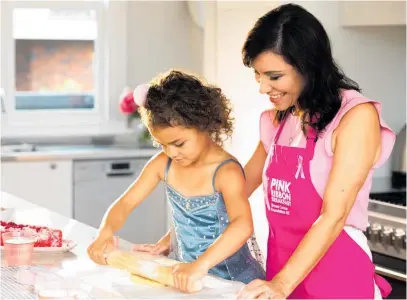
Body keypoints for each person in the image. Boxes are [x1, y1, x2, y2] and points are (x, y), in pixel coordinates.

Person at [236, 3, 395, 299]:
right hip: (282, 272)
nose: (262, 88)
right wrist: (178, 236)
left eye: (274, 76)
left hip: (337, 280)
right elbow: (238, 187)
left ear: (308, 65)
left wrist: (281, 285)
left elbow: (334, 215)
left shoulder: (355, 117)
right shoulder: (280, 118)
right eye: (258, 76)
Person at [87, 69, 265, 293]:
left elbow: (242, 225)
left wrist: (200, 265)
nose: (171, 152)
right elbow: (126, 203)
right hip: (189, 279)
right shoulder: (163, 164)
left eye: (179, 144)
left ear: (205, 125)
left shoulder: (226, 172)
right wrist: (105, 231)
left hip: (233, 283)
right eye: (162, 145)